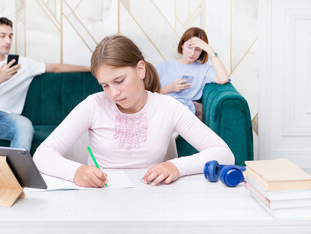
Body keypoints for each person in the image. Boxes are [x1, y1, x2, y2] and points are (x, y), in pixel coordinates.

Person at [33, 35, 234, 188]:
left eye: (119, 81)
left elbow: (224, 153)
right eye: (105, 85)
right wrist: (75, 172)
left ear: (140, 69)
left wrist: (176, 167)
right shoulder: (93, 105)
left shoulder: (167, 107)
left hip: (151, 196)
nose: (114, 93)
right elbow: (42, 155)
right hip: (100, 198)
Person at [0, 17, 90, 150]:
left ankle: (17, 171)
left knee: (24, 124)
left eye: (10, 36)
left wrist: (90, 69)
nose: (8, 41)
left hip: (4, 119)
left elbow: (55, 68)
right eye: (2, 36)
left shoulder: (23, 64)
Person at [156, 27, 229, 120]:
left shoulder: (204, 69)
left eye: (198, 49)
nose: (192, 53)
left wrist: (209, 49)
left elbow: (223, 79)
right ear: (182, 45)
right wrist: (170, 88)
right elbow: (147, 94)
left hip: (182, 113)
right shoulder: (164, 66)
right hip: (161, 109)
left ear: (202, 51)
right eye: (189, 47)